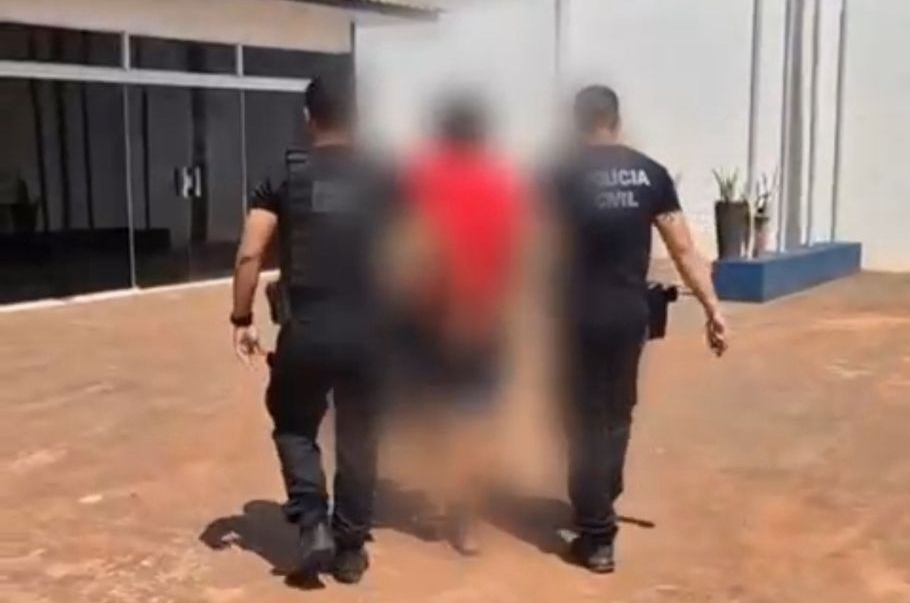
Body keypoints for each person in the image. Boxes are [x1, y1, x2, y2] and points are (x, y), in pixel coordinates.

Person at [546, 85, 727, 573]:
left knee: (581, 417)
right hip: (628, 314)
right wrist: (713, 308)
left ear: (576, 122)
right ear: (616, 120)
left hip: (576, 315)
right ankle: (603, 495)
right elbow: (684, 249)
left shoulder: (559, 174)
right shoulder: (650, 174)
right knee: (618, 409)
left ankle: (597, 534)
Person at [230, 72, 389, 584]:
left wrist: (241, 318)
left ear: (308, 118)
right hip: (369, 330)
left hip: (307, 327)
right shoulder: (384, 177)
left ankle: (313, 520)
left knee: (294, 422)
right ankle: (350, 550)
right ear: (358, 117)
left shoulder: (285, 174)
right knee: (360, 434)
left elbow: (250, 253)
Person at [390, 95, 526, 554]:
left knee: (432, 413)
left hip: (433, 317)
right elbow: (517, 252)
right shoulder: (503, 183)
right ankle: (466, 518)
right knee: (477, 417)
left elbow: (414, 244)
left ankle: (437, 497)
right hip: (486, 318)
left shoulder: (422, 178)